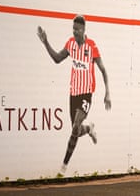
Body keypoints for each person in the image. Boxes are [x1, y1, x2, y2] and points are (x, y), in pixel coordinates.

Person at [37, 15, 111, 173]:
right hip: (73, 94)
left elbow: (103, 70)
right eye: (73, 29)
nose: (74, 32)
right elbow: (57, 58)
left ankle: (63, 166)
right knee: (75, 131)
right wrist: (45, 42)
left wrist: (107, 93)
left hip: (86, 93)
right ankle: (89, 129)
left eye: (77, 29)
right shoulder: (70, 44)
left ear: (84, 30)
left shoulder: (91, 46)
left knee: (76, 126)